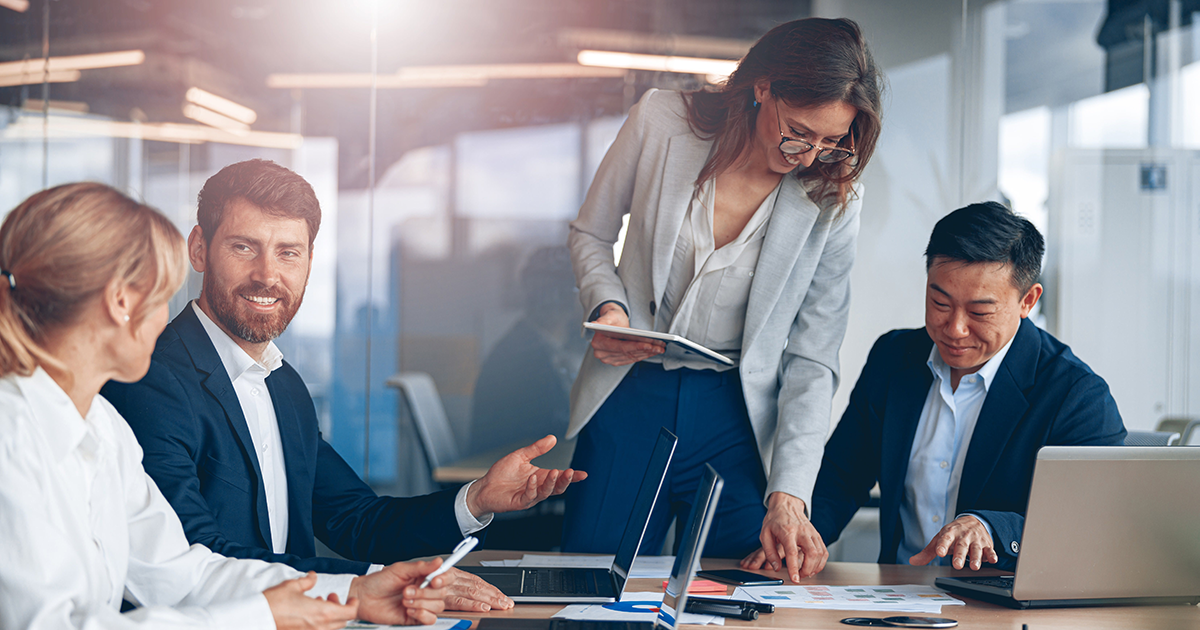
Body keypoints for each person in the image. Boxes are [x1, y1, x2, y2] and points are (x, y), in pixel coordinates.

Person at [101, 160, 586, 613]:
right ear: (200, 249)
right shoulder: (152, 382)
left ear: (310, 260)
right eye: (244, 247)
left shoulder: (282, 385)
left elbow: (355, 520)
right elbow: (193, 557)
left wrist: (476, 498)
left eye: (288, 253)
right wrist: (368, 586)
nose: (267, 275)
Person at [0, 182, 452, 629]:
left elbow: (180, 574)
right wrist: (265, 615)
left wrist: (354, 592)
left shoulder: (102, 428)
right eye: (161, 297)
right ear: (121, 301)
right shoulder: (10, 435)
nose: (165, 319)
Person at [564, 17, 884, 582]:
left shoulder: (833, 196)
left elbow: (812, 358)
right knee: (593, 589)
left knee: (746, 592)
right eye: (799, 132)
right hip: (632, 394)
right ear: (764, 87)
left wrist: (790, 494)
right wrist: (607, 308)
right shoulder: (662, 121)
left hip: (736, 417)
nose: (809, 156)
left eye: (831, 141)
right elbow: (591, 234)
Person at [748, 201, 1126, 575]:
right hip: (895, 598)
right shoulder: (894, 358)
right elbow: (844, 476)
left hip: (999, 603)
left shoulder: (1076, 396)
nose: (955, 328)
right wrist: (797, 535)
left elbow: (1087, 525)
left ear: (1028, 300)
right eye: (939, 302)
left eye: (980, 312)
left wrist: (992, 528)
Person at [469, 246, 586, 455]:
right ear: (561, 297)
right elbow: (557, 429)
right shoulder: (524, 360)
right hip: (511, 476)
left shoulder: (534, 346)